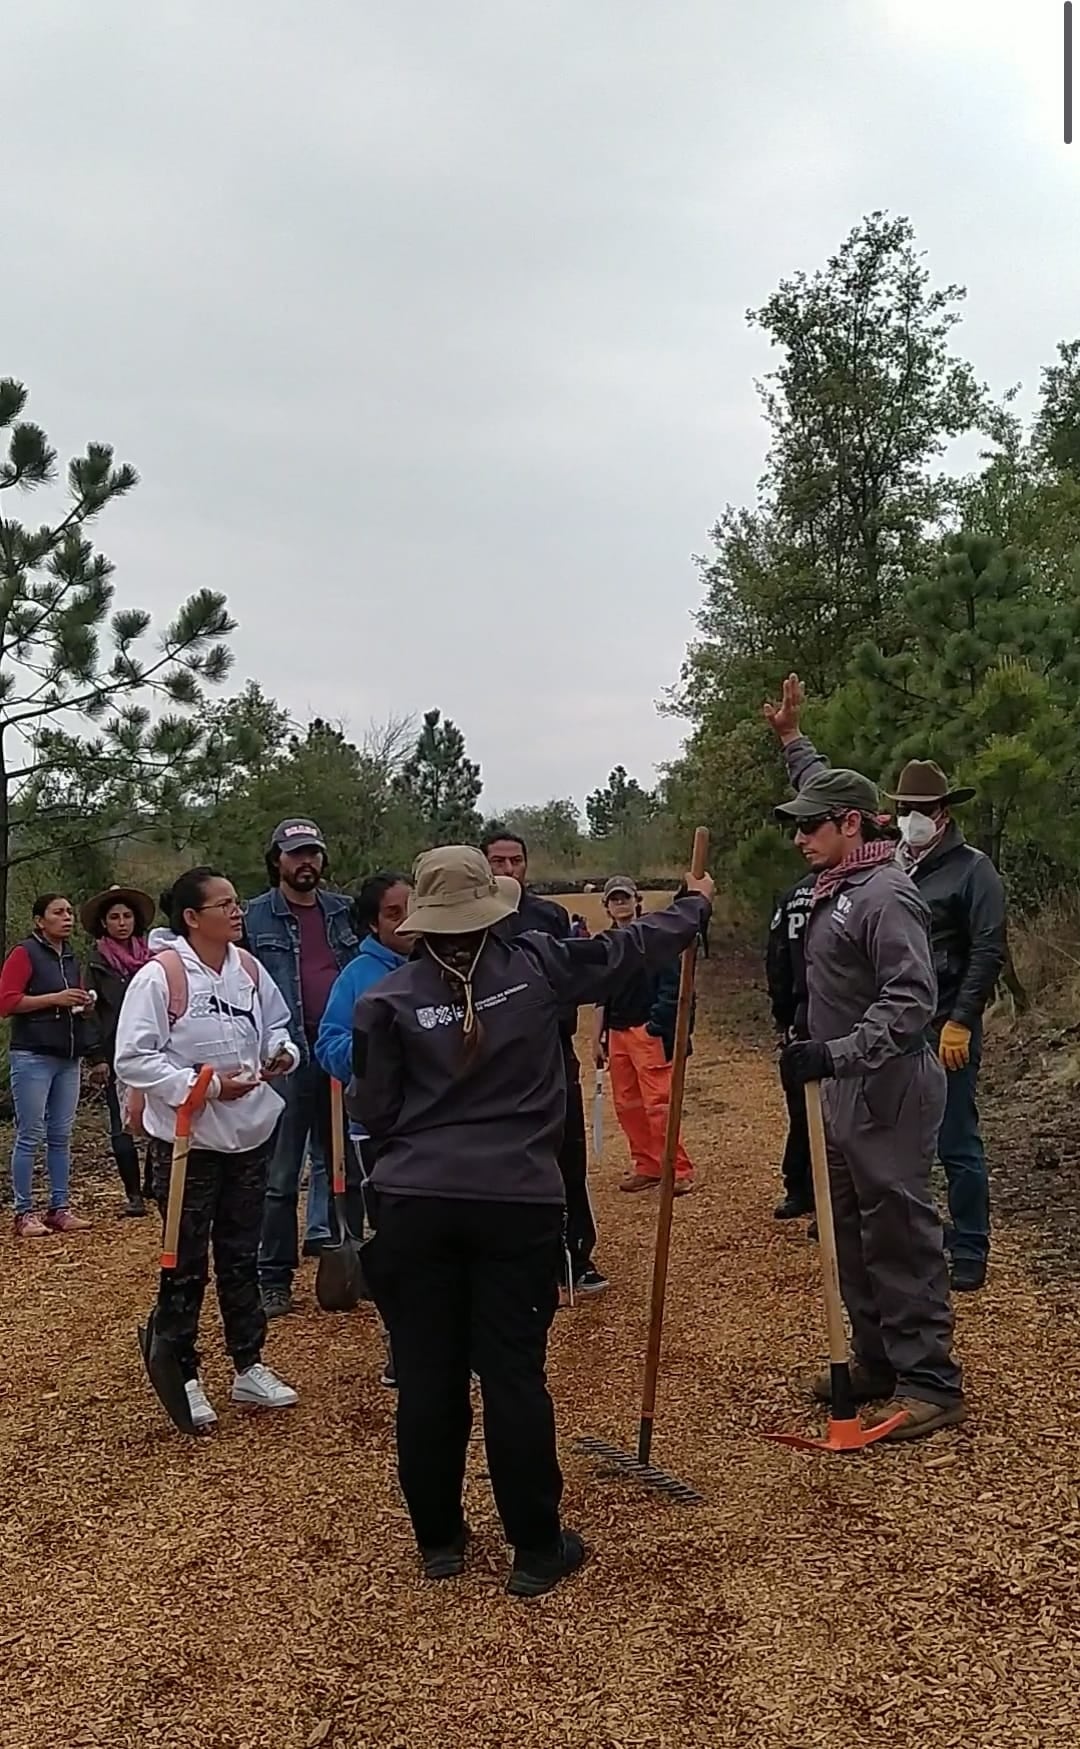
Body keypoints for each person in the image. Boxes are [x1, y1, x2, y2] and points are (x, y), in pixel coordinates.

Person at [351, 846, 713, 1595]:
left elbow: (375, 1111)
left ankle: (440, 1540)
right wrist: (693, 904)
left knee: (428, 1372)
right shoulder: (536, 965)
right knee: (512, 1371)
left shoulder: (384, 999)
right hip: (514, 1200)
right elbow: (629, 947)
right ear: (491, 905)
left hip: (415, 1204)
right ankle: (535, 1547)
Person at [764, 681, 965, 1441]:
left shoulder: (884, 896)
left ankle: (931, 1379)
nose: (798, 838)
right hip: (842, 1087)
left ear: (850, 825)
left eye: (811, 826)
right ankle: (878, 1358)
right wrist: (793, 742)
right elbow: (823, 791)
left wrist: (835, 1051)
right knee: (847, 1227)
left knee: (899, 1228)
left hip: (887, 1084)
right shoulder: (838, 876)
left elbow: (912, 1001)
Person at [768, 676, 1006, 1292]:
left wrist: (960, 1018)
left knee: (956, 1137)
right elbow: (825, 796)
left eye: (921, 811)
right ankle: (915, 1242)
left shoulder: (972, 871)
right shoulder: (889, 857)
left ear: (943, 815)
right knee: (898, 1156)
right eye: (902, 809)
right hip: (886, 1032)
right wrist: (793, 738)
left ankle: (970, 1248)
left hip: (940, 1023)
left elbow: (987, 948)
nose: (910, 819)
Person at [114, 866, 301, 1429]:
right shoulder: (160, 977)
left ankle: (249, 1362)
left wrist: (282, 1053)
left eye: (237, 902)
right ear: (193, 917)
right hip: (190, 1140)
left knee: (242, 1251)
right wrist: (206, 1085)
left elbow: (276, 1024)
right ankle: (183, 1371)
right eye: (223, 905)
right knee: (185, 1258)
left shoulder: (247, 967)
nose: (236, 911)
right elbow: (135, 1057)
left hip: (249, 1132)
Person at [482, 828, 607, 1296]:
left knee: (567, 1152)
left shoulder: (548, 916)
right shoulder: (474, 920)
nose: (509, 870)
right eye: (498, 861)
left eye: (516, 861)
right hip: (496, 1060)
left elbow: (572, 977)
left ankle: (577, 1255)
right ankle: (519, 1257)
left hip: (553, 1050)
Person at [245, 818, 359, 1317]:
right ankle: (273, 1278)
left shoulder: (345, 913)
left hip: (340, 1051)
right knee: (280, 1175)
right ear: (277, 860)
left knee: (344, 1165)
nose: (304, 862)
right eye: (295, 854)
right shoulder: (254, 918)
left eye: (312, 853)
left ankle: (347, 1261)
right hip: (285, 1058)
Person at [315, 870, 413, 1384]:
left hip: (444, 1128)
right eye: (393, 913)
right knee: (394, 1239)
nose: (406, 921)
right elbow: (328, 1046)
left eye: (411, 908)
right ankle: (402, 1345)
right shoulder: (357, 976)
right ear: (373, 924)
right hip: (381, 1131)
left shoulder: (447, 962)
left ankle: (453, 1344)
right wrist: (377, 1051)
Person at [0, 893, 103, 1237]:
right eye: (58, 913)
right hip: (32, 1054)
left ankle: (59, 1207)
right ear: (39, 921)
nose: (67, 918)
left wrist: (83, 1005)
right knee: (30, 1133)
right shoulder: (25, 953)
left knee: (61, 1134)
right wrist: (55, 999)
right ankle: (23, 1212)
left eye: (70, 912)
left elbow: (71, 999)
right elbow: (7, 1001)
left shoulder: (71, 957)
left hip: (67, 1055)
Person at [591, 876, 695, 1196]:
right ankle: (647, 1165)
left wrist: (655, 1026)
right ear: (606, 905)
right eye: (614, 899)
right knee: (627, 1105)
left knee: (659, 1104)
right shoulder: (606, 943)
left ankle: (678, 1169)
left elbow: (673, 988)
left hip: (646, 1032)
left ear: (637, 900)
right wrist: (597, 1036)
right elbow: (601, 993)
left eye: (625, 898)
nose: (620, 903)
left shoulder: (654, 938)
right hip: (618, 1032)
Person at [83, 883, 158, 1217]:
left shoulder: (152, 957)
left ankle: (154, 1182)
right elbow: (89, 1011)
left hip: (155, 1044)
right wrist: (96, 1056)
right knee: (121, 1120)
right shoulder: (97, 962)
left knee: (160, 1113)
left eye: (127, 916)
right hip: (115, 1047)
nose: (122, 922)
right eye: (114, 917)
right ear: (104, 923)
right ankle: (133, 1195)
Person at [764, 872, 816, 1221]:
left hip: (803, 1012)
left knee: (804, 1112)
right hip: (817, 1012)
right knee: (815, 1112)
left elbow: (775, 958)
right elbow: (778, 955)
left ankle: (806, 1192)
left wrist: (783, 1016)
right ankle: (807, 1191)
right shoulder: (801, 894)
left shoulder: (793, 893)